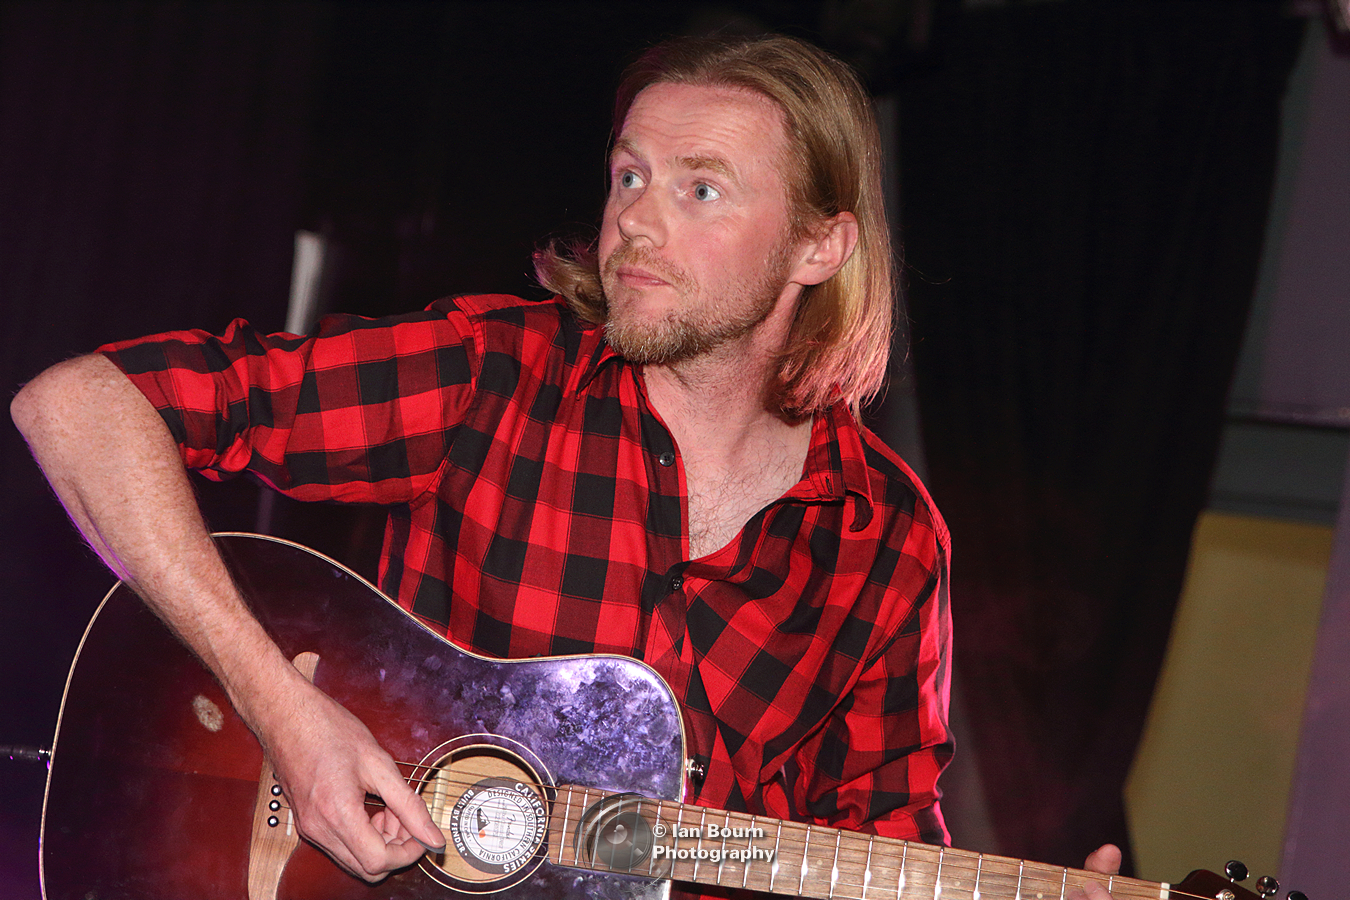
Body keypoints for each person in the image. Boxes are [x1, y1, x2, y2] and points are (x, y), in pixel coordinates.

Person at [11, 33, 1120, 899]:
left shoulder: (886, 539)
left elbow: (882, 840)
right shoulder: (495, 373)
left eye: (700, 189)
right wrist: (283, 714)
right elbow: (78, 404)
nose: (636, 221)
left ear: (819, 245)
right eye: (629, 174)